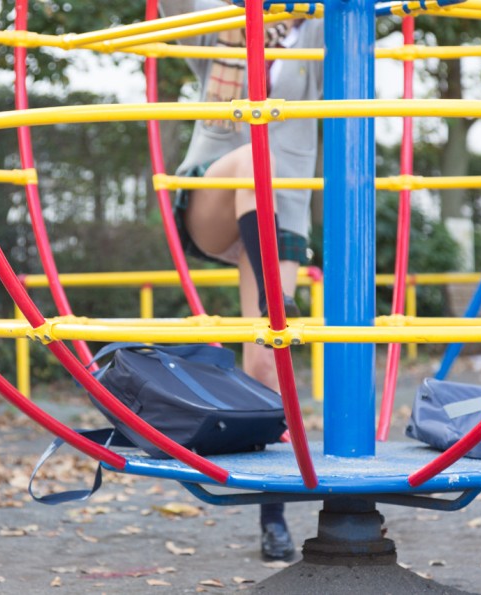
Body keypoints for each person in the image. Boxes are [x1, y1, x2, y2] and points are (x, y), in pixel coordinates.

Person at [158, 0, 324, 561]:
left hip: (279, 216)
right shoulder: (224, 21)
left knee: (265, 364)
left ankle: (271, 518)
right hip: (216, 194)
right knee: (255, 159)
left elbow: (358, 30)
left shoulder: (314, 31)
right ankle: (277, 301)